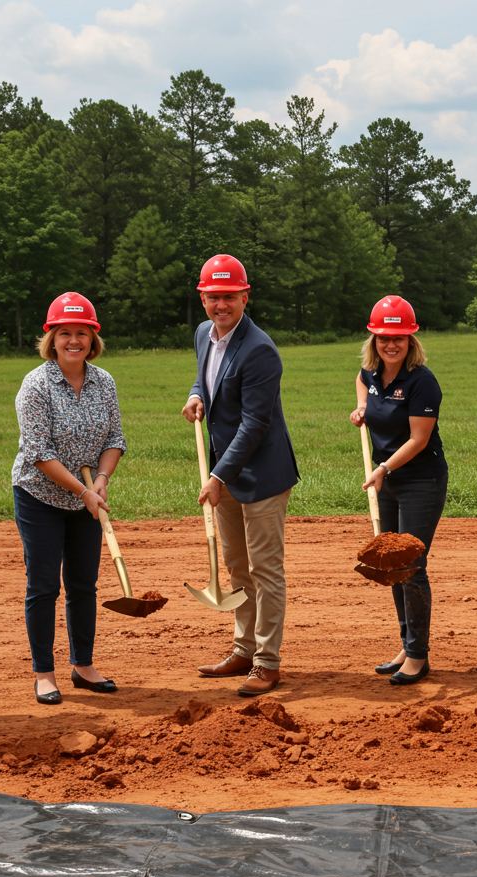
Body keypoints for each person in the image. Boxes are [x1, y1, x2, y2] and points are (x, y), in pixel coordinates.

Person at [183, 254, 299, 697]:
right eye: (213, 297)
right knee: (237, 566)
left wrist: (217, 475)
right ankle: (243, 649)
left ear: (244, 297)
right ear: (203, 298)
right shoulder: (203, 335)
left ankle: (267, 662)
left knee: (265, 569)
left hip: (262, 474)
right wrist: (196, 395)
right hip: (226, 471)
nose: (220, 305)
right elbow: (205, 378)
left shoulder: (260, 350)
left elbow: (255, 423)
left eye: (229, 297)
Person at [12, 293, 126, 706]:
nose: (73, 340)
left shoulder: (105, 382)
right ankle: (44, 673)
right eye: (65, 333)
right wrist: (82, 490)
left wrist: (101, 480)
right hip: (40, 495)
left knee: (83, 584)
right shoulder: (36, 385)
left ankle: (83, 666)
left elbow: (114, 439)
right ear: (52, 339)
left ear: (92, 338)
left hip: (86, 497)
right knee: (43, 585)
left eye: (82, 333)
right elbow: (38, 452)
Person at [350, 296, 448, 686]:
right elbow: (362, 383)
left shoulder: (422, 381)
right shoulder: (371, 373)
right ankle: (408, 643)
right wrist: (361, 408)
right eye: (384, 337)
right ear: (374, 339)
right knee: (392, 566)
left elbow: (419, 439)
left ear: (411, 341)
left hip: (420, 481)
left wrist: (383, 467)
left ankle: (419, 656)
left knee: (410, 564)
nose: (391, 345)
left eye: (400, 338)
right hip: (387, 480)